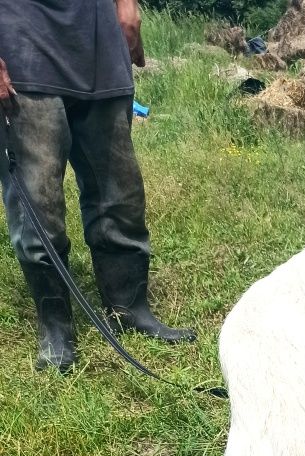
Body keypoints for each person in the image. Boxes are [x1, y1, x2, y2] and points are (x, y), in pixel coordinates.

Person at [0, 0, 195, 373]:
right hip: (21, 42)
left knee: (121, 193)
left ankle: (130, 309)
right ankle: (56, 329)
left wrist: (126, 5)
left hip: (100, 46)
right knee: (38, 207)